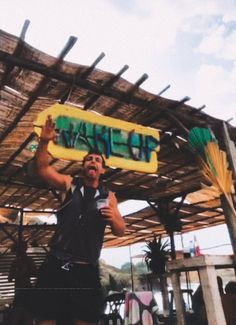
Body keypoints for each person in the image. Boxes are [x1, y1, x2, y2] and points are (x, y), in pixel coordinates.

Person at [33, 115, 126, 325]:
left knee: (84, 320)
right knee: (46, 319)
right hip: (57, 264)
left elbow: (121, 230)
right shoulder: (69, 183)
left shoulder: (109, 196)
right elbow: (43, 169)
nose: (93, 161)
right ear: (84, 166)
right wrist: (44, 141)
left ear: (102, 170)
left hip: (86, 270)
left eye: (97, 160)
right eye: (89, 159)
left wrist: (113, 219)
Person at [8, 240, 37, 325]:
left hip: (26, 289)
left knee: (27, 312)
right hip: (20, 290)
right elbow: (9, 278)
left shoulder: (28, 260)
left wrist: (24, 272)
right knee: (20, 312)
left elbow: (35, 273)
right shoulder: (15, 262)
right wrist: (17, 273)